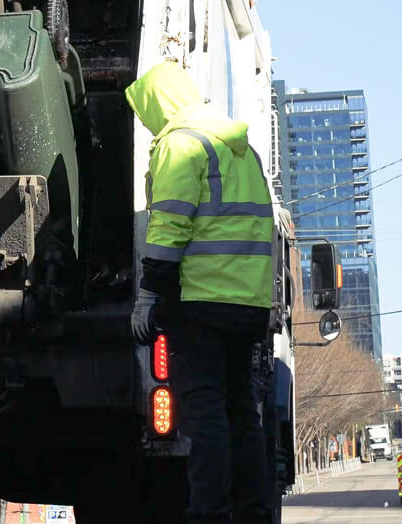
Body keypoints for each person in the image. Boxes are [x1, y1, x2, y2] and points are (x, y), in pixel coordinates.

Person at [125, 61, 276, 524]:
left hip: (201, 303)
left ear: (159, 101)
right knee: (240, 412)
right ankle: (253, 512)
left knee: (204, 411)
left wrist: (150, 295)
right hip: (246, 304)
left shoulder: (180, 145)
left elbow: (169, 226)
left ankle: (209, 513)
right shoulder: (239, 149)